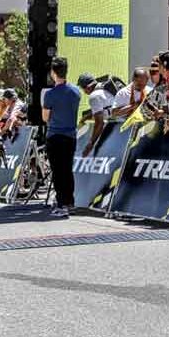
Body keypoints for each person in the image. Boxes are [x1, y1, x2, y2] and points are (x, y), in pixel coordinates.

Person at [42, 57, 81, 218]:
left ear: (53, 72)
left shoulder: (50, 94)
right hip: (70, 136)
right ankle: (70, 203)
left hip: (55, 136)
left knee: (58, 172)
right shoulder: (75, 91)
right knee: (67, 170)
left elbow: (45, 117)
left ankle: (61, 205)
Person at [78, 73, 113, 156]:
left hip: (118, 123)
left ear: (88, 87)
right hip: (124, 117)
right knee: (86, 113)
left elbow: (99, 123)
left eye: (83, 89)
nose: (84, 92)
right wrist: (87, 117)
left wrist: (90, 144)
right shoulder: (102, 87)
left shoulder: (93, 97)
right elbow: (104, 108)